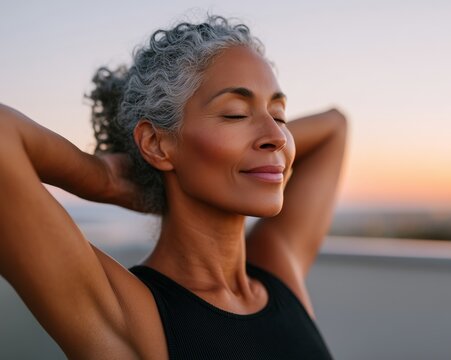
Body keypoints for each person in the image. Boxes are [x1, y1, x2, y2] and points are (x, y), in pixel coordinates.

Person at [0, 16, 346, 359]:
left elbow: (335, 126)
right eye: (235, 114)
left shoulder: (277, 273)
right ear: (156, 143)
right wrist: (103, 179)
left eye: (279, 115)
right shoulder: (130, 314)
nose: (276, 136)